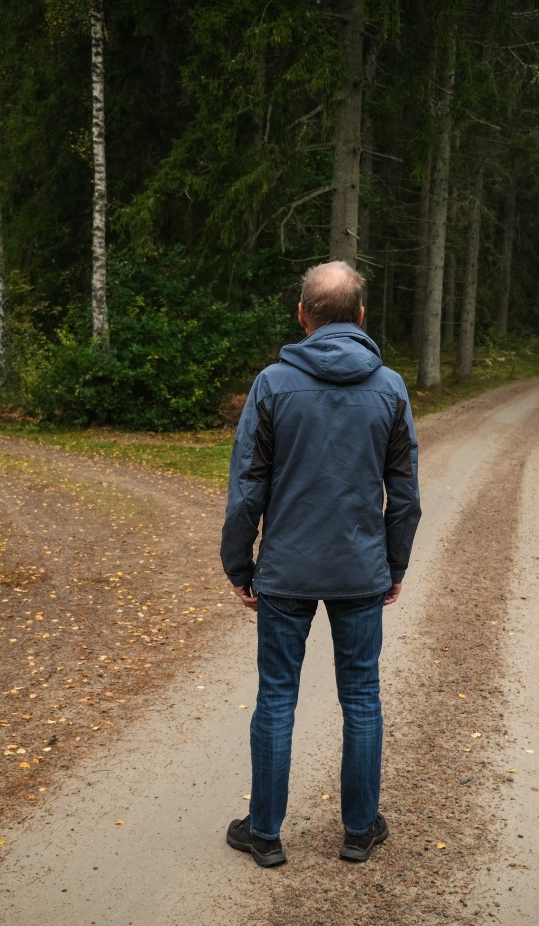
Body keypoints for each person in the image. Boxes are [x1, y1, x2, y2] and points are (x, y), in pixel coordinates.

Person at [220, 260, 422, 867]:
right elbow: (405, 492)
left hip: (284, 570)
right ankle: (359, 830)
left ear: (303, 315)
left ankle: (265, 833)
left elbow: (247, 487)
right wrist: (395, 564)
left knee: (277, 696)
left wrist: (239, 564)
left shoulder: (272, 385)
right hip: (361, 571)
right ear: (361, 317)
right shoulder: (389, 388)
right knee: (361, 695)